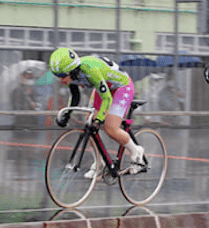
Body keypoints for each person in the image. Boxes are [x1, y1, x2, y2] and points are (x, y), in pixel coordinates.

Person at [49, 48, 145, 177]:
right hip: (104, 86)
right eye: (57, 76)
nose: (60, 79)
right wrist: (67, 115)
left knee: (110, 127)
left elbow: (107, 98)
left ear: (72, 70)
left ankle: (136, 152)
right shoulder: (72, 74)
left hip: (122, 87)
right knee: (89, 122)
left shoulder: (90, 70)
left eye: (61, 75)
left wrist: (100, 118)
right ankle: (99, 163)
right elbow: (75, 97)